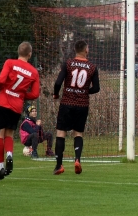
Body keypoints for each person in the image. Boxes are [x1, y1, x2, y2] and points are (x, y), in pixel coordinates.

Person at [0, 41, 40, 180]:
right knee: (9, 134)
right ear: (29, 54)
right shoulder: (34, 72)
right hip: (16, 106)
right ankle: (10, 155)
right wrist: (22, 95)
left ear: (18, 52)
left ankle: (0, 166)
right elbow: (35, 94)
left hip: (3, 102)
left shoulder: (10, 63)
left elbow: (1, 80)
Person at [52, 40, 100, 175]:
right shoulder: (92, 67)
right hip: (82, 105)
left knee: (61, 133)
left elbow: (57, 83)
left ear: (75, 50)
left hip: (67, 103)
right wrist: (84, 91)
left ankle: (59, 165)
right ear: (86, 50)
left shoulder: (68, 64)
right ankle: (77, 159)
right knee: (78, 133)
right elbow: (96, 88)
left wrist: (56, 94)